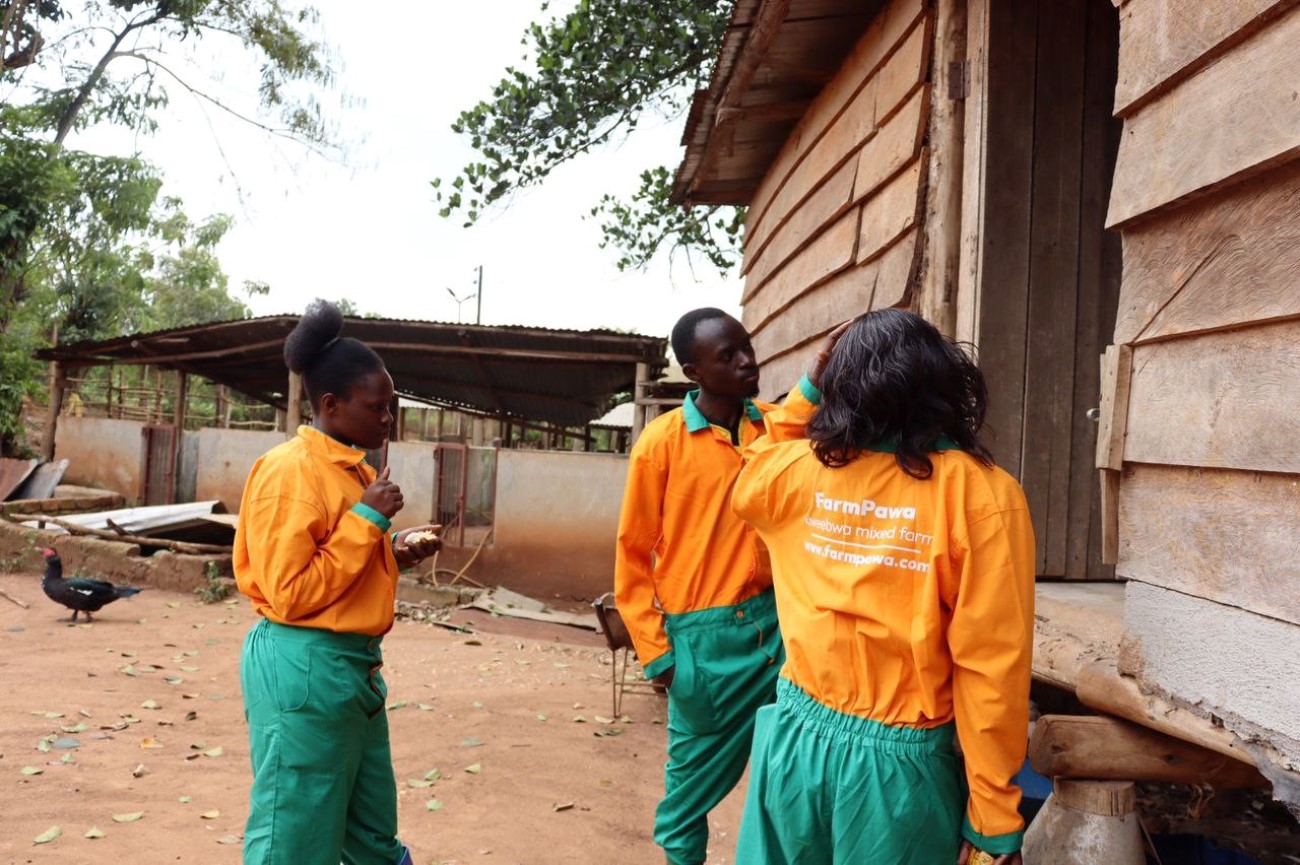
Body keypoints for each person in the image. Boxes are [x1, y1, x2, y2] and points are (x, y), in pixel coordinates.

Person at [731, 308, 1035, 865]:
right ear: (944, 387)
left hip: (793, 742)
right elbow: (991, 666)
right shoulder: (982, 495)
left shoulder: (792, 473)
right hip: (897, 775)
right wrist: (993, 816)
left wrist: (807, 387)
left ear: (839, 389)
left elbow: (754, 456)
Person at [233, 299, 442, 865]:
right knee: (294, 836)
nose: (387, 419)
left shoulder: (355, 470)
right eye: (376, 407)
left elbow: (339, 565)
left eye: (391, 407)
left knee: (371, 834)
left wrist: (394, 551)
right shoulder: (290, 471)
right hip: (304, 668)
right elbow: (292, 592)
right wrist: (367, 521)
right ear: (331, 404)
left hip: (353, 669)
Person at [614, 307, 807, 865]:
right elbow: (632, 557)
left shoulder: (774, 427)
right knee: (685, 805)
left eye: (746, 347)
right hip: (703, 647)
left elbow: (805, 413)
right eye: (729, 356)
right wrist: (661, 659)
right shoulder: (661, 444)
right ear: (694, 372)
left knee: (790, 779)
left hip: (779, 630)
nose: (748, 361)